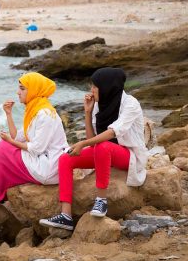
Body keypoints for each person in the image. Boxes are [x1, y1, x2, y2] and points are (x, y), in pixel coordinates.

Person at [39, 67, 148, 230]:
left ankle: (101, 201)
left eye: (95, 86)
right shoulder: (99, 105)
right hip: (104, 153)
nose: (91, 90)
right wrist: (88, 113)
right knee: (66, 158)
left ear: (107, 87)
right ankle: (66, 215)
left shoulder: (130, 104)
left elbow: (112, 133)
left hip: (128, 155)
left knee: (104, 146)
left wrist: (82, 144)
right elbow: (92, 140)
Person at [0, 72, 69, 203]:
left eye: (22, 89)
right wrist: (9, 114)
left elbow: (36, 149)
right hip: (42, 159)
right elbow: (17, 137)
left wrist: (9, 141)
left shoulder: (45, 114)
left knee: (3, 148)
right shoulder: (36, 110)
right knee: (3, 146)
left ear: (34, 90)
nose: (18, 92)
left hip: (47, 167)